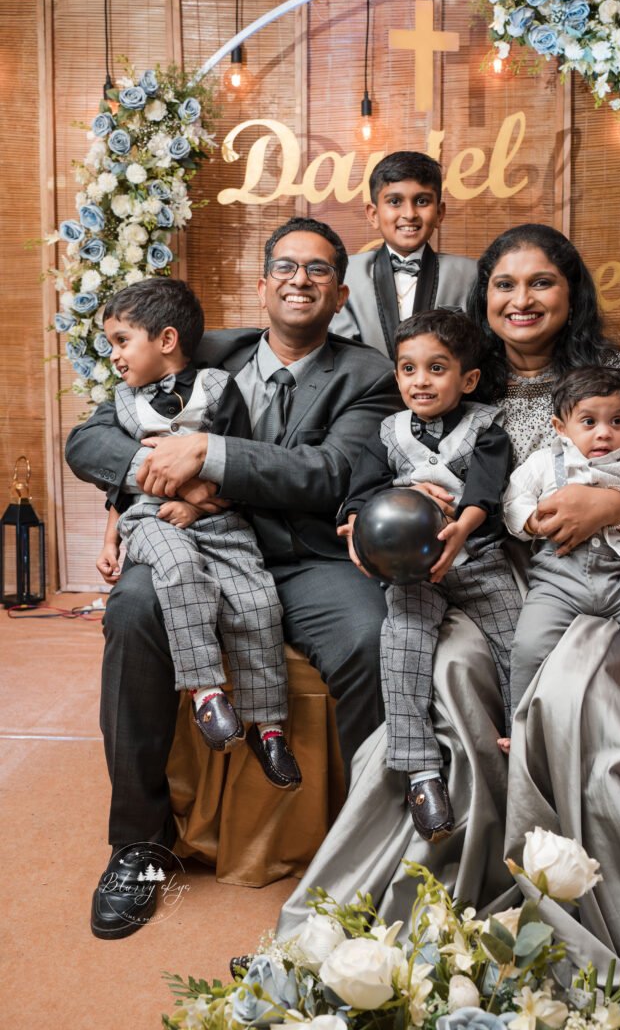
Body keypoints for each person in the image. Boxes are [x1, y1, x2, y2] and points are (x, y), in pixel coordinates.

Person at [278, 224, 620, 1020]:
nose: (521, 299)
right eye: (505, 285)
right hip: (481, 579)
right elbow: (392, 468)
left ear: (571, 290)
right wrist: (381, 521)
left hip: (595, 584)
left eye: (541, 282)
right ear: (485, 300)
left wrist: (611, 502)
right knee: (448, 674)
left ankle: (591, 889)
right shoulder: (459, 373)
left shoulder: (618, 375)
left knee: (573, 695)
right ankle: (440, 886)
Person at [65, 216, 403, 940]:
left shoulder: (370, 374)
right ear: (262, 284)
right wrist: (157, 477)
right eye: (286, 266)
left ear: (339, 294)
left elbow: (333, 472)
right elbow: (91, 436)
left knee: (372, 636)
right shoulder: (203, 350)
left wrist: (208, 456)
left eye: (317, 270)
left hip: (307, 559)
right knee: (130, 611)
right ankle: (138, 844)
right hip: (203, 543)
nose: (299, 280)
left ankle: (370, 847)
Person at [96, 278, 300, 782]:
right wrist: (109, 539)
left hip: (221, 520)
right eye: (110, 346)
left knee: (257, 602)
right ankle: (206, 694)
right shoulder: (120, 404)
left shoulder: (217, 388)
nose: (115, 357)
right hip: (148, 518)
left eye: (122, 341)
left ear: (166, 340)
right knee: (182, 569)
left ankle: (268, 729)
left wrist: (199, 507)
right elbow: (120, 487)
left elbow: (240, 466)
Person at [338, 309, 516, 842]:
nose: (421, 380)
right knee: (402, 638)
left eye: (437, 369)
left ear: (469, 379)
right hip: (412, 570)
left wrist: (462, 526)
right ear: (397, 375)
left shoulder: (487, 427)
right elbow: (361, 491)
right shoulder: (387, 433)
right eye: (409, 369)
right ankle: (420, 770)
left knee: (518, 636)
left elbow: (487, 487)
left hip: (478, 558)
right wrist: (355, 527)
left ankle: (522, 737)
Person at [502, 364, 620, 750]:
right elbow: (513, 500)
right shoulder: (545, 462)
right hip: (558, 577)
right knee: (528, 646)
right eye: (588, 422)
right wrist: (531, 523)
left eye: (616, 421)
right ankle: (523, 726)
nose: (604, 432)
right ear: (561, 427)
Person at [330, 151, 475, 358]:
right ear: (373, 214)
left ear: (439, 213)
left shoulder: (469, 275)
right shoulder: (345, 273)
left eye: (422, 201)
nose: (409, 214)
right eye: (395, 202)